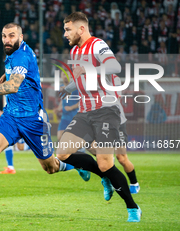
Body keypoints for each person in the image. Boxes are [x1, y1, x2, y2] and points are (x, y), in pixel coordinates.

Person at [0, 23, 88, 215]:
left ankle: (77, 164)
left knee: (50, 167)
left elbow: (14, 86)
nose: (7, 40)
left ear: (21, 37)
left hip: (33, 119)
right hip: (11, 115)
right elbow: (17, 71)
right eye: (4, 36)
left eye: (11, 36)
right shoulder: (16, 51)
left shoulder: (21, 54)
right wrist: (5, 75)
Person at [57, 12, 141, 222]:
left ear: (81, 29)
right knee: (62, 153)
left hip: (106, 110)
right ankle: (104, 177)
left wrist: (86, 68)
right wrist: (69, 88)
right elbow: (82, 78)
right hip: (85, 111)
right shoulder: (75, 51)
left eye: (68, 29)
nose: (65, 34)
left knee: (106, 162)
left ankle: (132, 208)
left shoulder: (97, 45)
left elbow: (114, 66)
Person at [87, 75, 140, 194]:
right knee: (89, 144)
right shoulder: (90, 77)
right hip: (99, 120)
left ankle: (134, 183)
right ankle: (108, 167)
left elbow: (114, 97)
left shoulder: (114, 78)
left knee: (121, 157)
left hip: (117, 121)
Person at [55, 70, 90, 181]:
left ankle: (81, 160)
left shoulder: (75, 87)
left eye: (67, 75)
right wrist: (59, 107)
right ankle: (77, 160)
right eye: (62, 74)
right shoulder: (61, 87)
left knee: (76, 142)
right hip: (65, 117)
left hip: (74, 116)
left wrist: (71, 108)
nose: (65, 77)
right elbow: (63, 100)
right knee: (60, 137)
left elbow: (82, 101)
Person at [0, 107, 25, 174]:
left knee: (21, 148)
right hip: (14, 122)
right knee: (7, 142)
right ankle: (10, 167)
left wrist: (1, 113)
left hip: (20, 121)